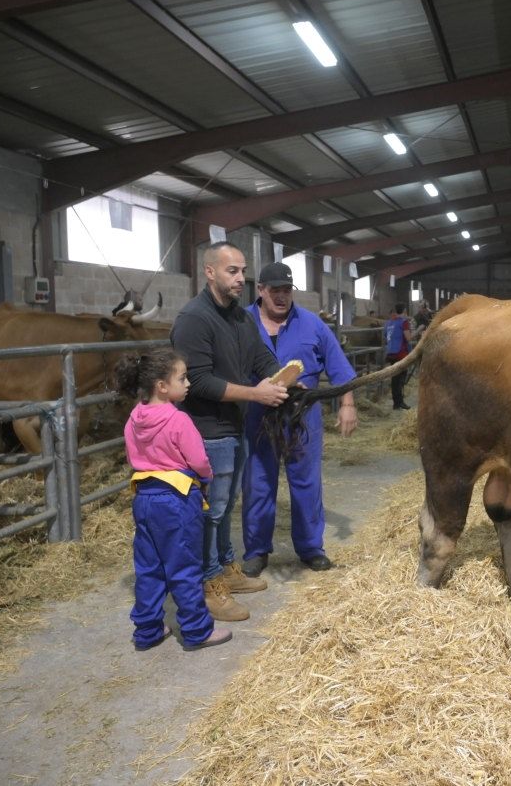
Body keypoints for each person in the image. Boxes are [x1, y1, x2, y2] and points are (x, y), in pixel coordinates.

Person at [170, 242, 287, 622]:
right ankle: (208, 585)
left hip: (232, 427)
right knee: (211, 511)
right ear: (209, 272)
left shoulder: (239, 317)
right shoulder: (194, 318)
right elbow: (199, 381)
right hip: (206, 430)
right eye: (232, 271)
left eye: (242, 271)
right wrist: (257, 393)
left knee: (225, 506)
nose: (241, 279)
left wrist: (285, 377)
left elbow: (260, 357)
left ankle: (225, 568)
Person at [240, 262, 359, 576]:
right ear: (260, 290)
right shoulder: (241, 322)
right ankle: (256, 550)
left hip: (302, 414)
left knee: (306, 481)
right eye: (274, 290)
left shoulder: (312, 325)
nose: (281, 297)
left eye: (287, 290)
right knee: (258, 481)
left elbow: (339, 367)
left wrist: (347, 403)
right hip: (257, 413)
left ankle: (310, 548)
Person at [115, 347, 231, 652]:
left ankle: (148, 630)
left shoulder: (134, 419)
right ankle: (196, 630)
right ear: (162, 386)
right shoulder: (178, 420)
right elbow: (199, 460)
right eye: (182, 377)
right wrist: (206, 479)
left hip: (144, 499)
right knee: (184, 567)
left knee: (149, 567)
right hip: (177, 501)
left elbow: (132, 456)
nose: (188, 383)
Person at [385, 303, 415, 410]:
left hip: (390, 352)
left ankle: (396, 402)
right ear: (404, 310)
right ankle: (399, 402)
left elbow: (386, 337)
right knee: (400, 378)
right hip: (401, 353)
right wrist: (418, 331)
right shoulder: (404, 322)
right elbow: (408, 338)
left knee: (395, 378)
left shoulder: (389, 323)